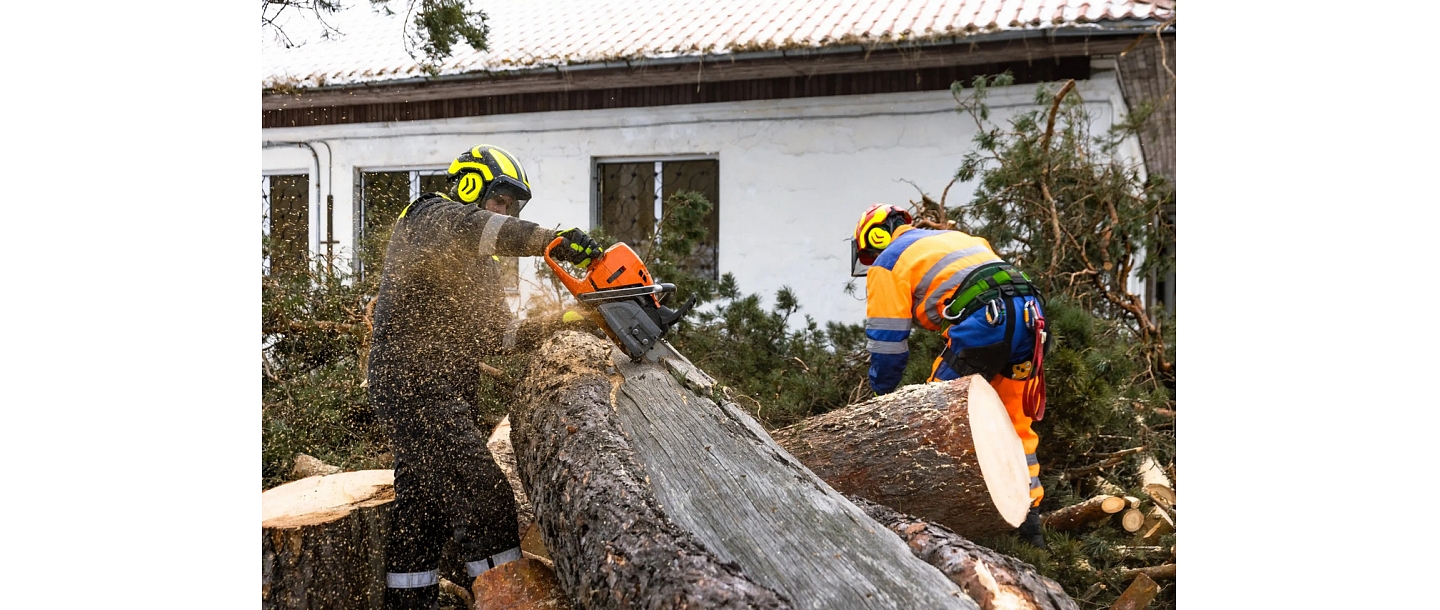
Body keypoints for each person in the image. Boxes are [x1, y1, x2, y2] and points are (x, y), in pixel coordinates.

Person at [366, 145, 602, 609]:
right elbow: (477, 226)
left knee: (423, 509)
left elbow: (499, 335)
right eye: (502, 200)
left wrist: (567, 318)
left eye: (513, 207)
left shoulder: (479, 268)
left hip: (441, 391)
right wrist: (551, 240)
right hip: (413, 386)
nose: (506, 211)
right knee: (486, 498)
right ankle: (510, 601)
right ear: (471, 184)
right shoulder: (429, 216)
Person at [853, 203, 1051, 548]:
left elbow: (887, 342)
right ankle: (1030, 527)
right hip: (1032, 317)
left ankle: (934, 522)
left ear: (877, 235)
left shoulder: (888, 262)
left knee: (932, 417)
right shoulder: (956, 238)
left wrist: (882, 396)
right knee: (1016, 422)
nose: (871, 259)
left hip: (986, 321)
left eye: (869, 252)